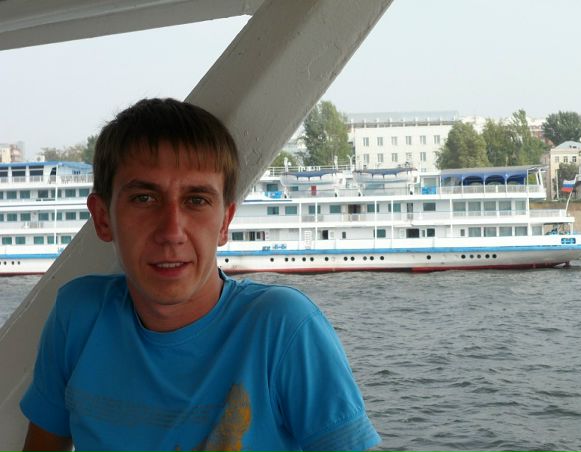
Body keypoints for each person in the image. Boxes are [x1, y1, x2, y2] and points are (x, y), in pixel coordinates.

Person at [20, 98, 381, 452]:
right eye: (144, 198)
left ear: (224, 223)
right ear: (103, 219)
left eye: (196, 200)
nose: (171, 231)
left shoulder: (282, 328)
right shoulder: (78, 315)